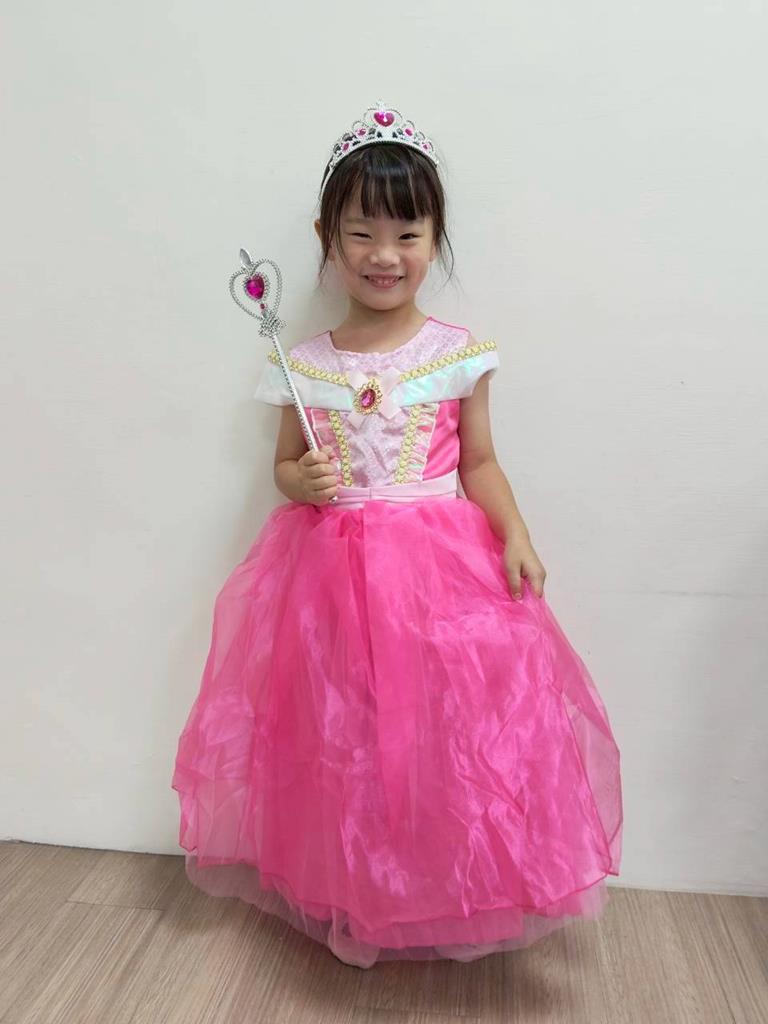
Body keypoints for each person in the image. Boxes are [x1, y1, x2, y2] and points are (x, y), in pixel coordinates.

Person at [171, 100, 623, 969]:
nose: (385, 255)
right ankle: (356, 891)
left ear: (435, 238)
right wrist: (298, 481)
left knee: (441, 737)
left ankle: (436, 887)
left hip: (437, 575)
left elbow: (479, 462)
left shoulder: (456, 353)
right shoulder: (306, 364)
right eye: (362, 234)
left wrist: (515, 534)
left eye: (408, 234)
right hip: (329, 580)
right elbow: (285, 463)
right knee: (343, 735)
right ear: (327, 239)